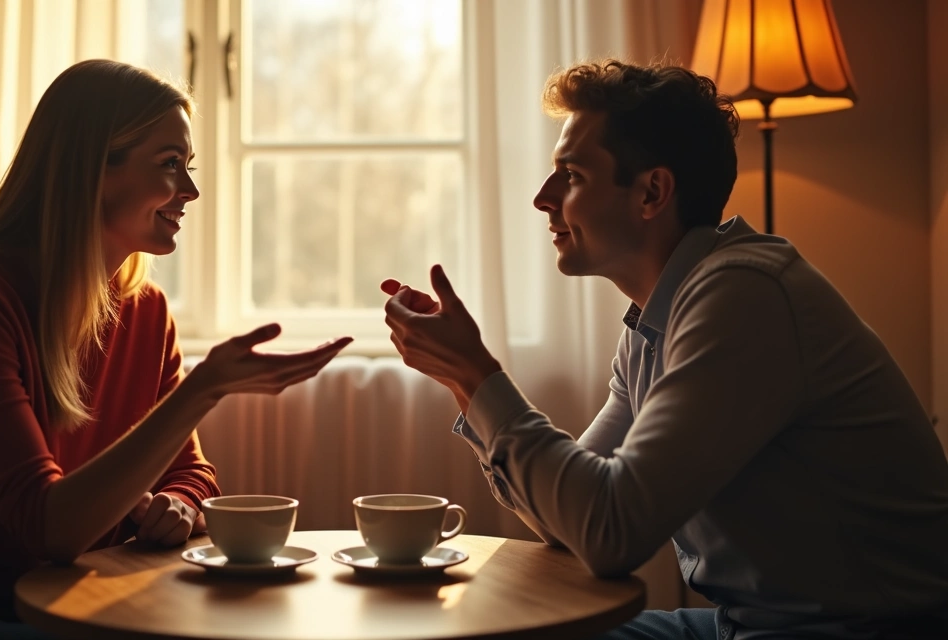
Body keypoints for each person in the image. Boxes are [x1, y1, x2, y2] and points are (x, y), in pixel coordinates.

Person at [381, 60, 948, 639]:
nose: (542, 198)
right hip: (743, 625)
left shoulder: (745, 297)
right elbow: (568, 524)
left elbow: (610, 533)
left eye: (571, 175)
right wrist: (460, 380)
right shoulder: (654, 324)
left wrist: (479, 374)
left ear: (652, 191)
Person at [0, 59, 352, 640]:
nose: (191, 190)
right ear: (92, 170)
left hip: (63, 596)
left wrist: (177, 504)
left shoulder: (145, 311)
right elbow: (46, 526)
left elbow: (193, 472)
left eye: (188, 167)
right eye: (169, 166)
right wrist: (205, 389)